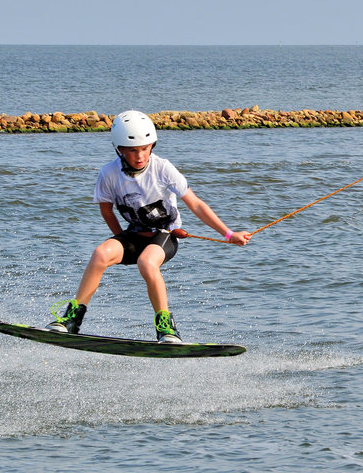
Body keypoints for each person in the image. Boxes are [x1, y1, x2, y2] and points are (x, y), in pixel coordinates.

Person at [46, 110, 251, 342]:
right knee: (101, 253)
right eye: (133, 150)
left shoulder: (163, 168)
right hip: (133, 234)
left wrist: (229, 234)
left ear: (152, 145)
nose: (140, 156)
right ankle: (72, 319)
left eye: (145, 148)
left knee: (146, 262)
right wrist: (122, 239)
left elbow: (196, 204)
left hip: (164, 235)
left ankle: (167, 329)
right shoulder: (109, 173)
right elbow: (106, 211)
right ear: (120, 149)